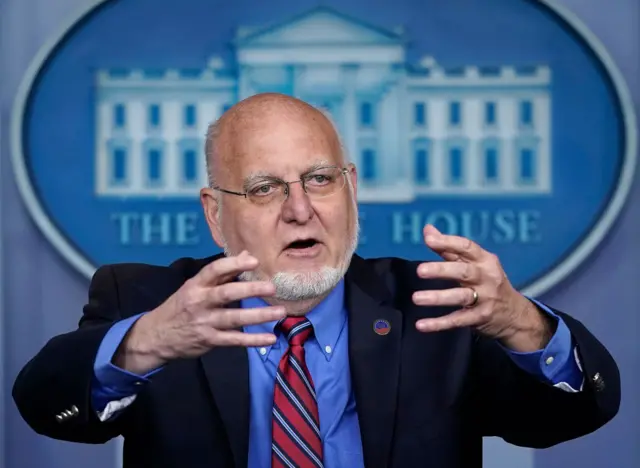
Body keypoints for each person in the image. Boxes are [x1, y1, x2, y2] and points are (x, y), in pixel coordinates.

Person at [13, 93, 619, 468]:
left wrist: (522, 323)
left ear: (352, 190)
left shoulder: (434, 309)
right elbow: (43, 405)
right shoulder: (148, 303)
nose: (300, 209)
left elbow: (576, 413)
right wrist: (144, 343)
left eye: (320, 180)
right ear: (214, 214)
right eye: (264, 188)